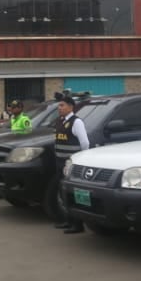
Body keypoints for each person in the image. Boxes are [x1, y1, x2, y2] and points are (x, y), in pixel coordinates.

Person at [52, 93, 92, 234]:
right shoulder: (60, 121)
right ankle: (68, 221)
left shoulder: (76, 122)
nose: (59, 108)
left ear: (71, 107)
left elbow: (85, 143)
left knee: (71, 194)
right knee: (63, 194)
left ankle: (77, 224)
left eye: (62, 105)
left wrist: (80, 161)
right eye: (59, 106)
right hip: (60, 163)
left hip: (71, 164)